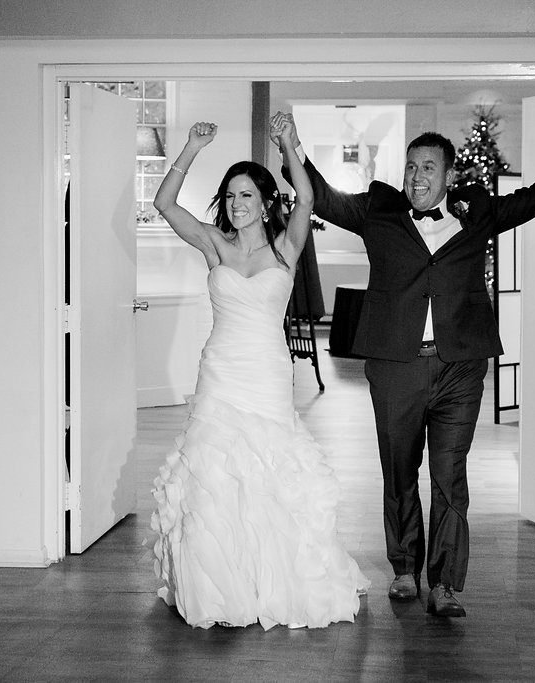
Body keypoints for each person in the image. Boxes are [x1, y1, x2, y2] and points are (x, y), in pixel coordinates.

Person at [280, 108, 535, 618]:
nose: (416, 176)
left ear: (448, 176)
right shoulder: (378, 209)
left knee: (450, 475)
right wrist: (292, 144)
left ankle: (444, 583)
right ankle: (404, 569)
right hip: (396, 364)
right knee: (399, 472)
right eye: (411, 167)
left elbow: (533, 201)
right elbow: (324, 197)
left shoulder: (476, 211)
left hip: (460, 366)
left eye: (427, 168)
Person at [149, 114, 369, 630]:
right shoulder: (214, 245)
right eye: (230, 197)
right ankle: (218, 585)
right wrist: (190, 148)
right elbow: (163, 205)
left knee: (269, 470)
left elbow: (309, 201)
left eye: (246, 196)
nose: (236, 204)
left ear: (266, 201)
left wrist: (291, 144)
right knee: (213, 472)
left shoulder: (284, 248)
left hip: (267, 374)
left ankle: (270, 581)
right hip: (221, 371)